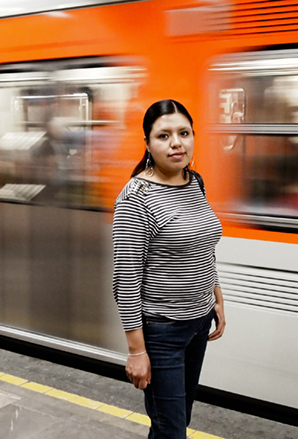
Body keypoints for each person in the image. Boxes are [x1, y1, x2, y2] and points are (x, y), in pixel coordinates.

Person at [112, 99, 226, 438]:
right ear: (147, 144)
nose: (176, 142)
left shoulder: (194, 182)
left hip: (198, 323)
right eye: (164, 136)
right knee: (171, 429)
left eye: (184, 133)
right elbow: (126, 280)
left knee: (175, 423)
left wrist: (216, 296)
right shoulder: (137, 198)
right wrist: (136, 351)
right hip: (162, 332)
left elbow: (202, 246)